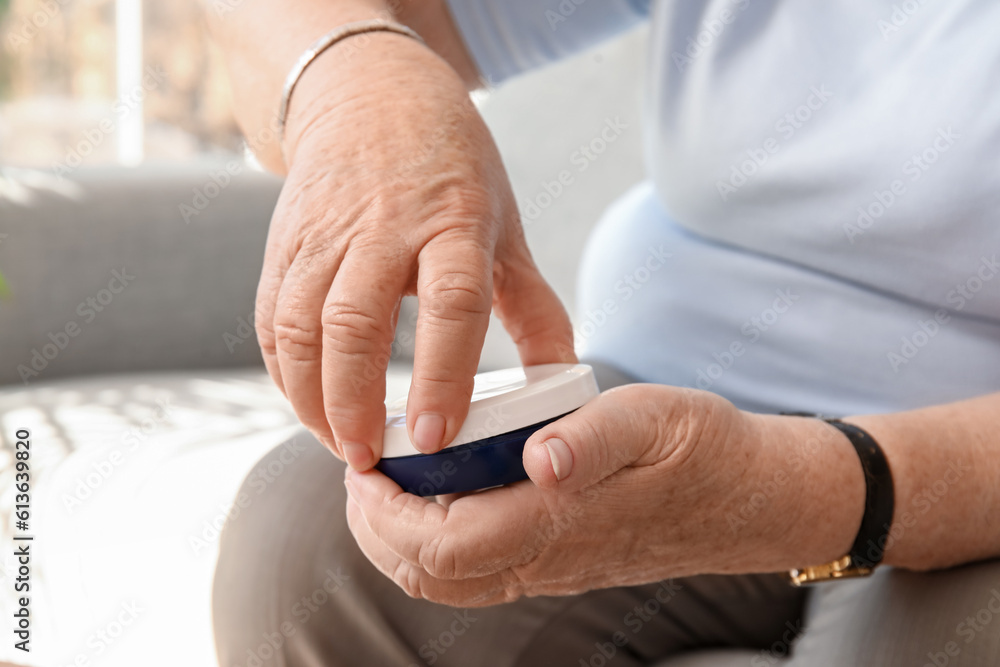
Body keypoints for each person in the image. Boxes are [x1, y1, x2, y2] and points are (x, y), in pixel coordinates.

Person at [208, 1, 1000, 665]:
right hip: (673, 375)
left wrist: (808, 492)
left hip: (969, 469)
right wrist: (354, 80)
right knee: (303, 546)